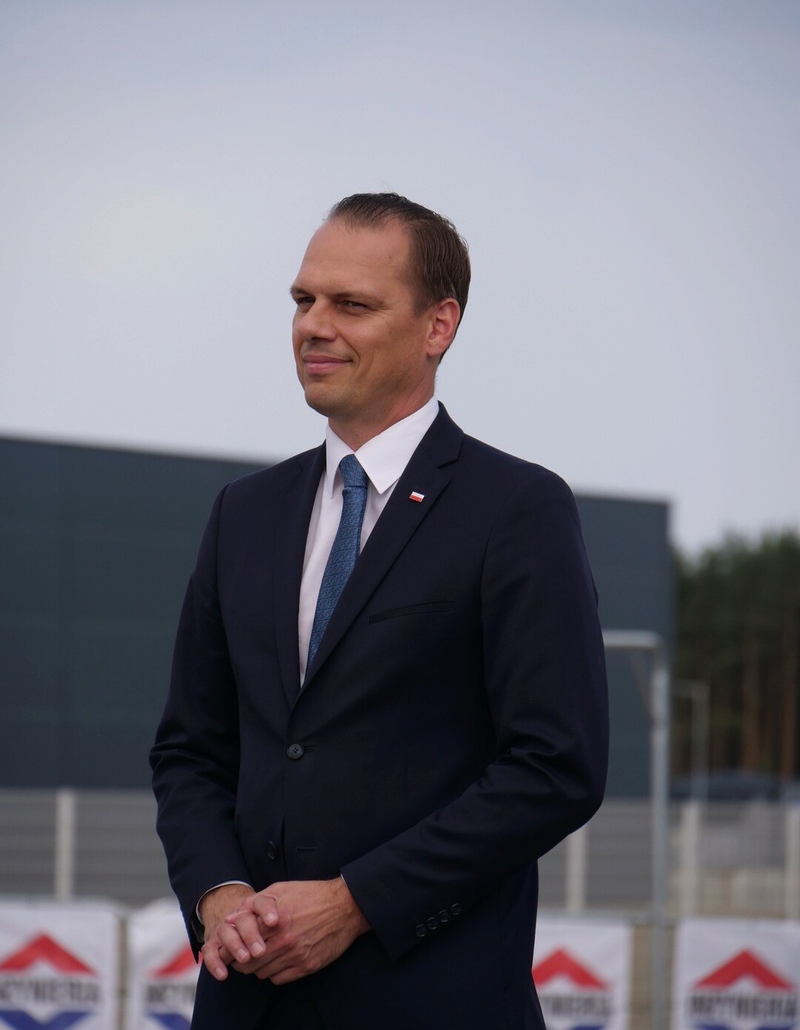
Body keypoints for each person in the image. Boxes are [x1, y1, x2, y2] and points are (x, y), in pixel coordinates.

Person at [150, 192, 609, 1030]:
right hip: (248, 1004)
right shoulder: (243, 512)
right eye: (303, 299)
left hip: (434, 1004)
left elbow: (556, 766)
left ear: (439, 325)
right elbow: (190, 750)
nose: (313, 326)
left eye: (352, 304)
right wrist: (219, 894)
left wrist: (355, 901)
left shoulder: (517, 509)